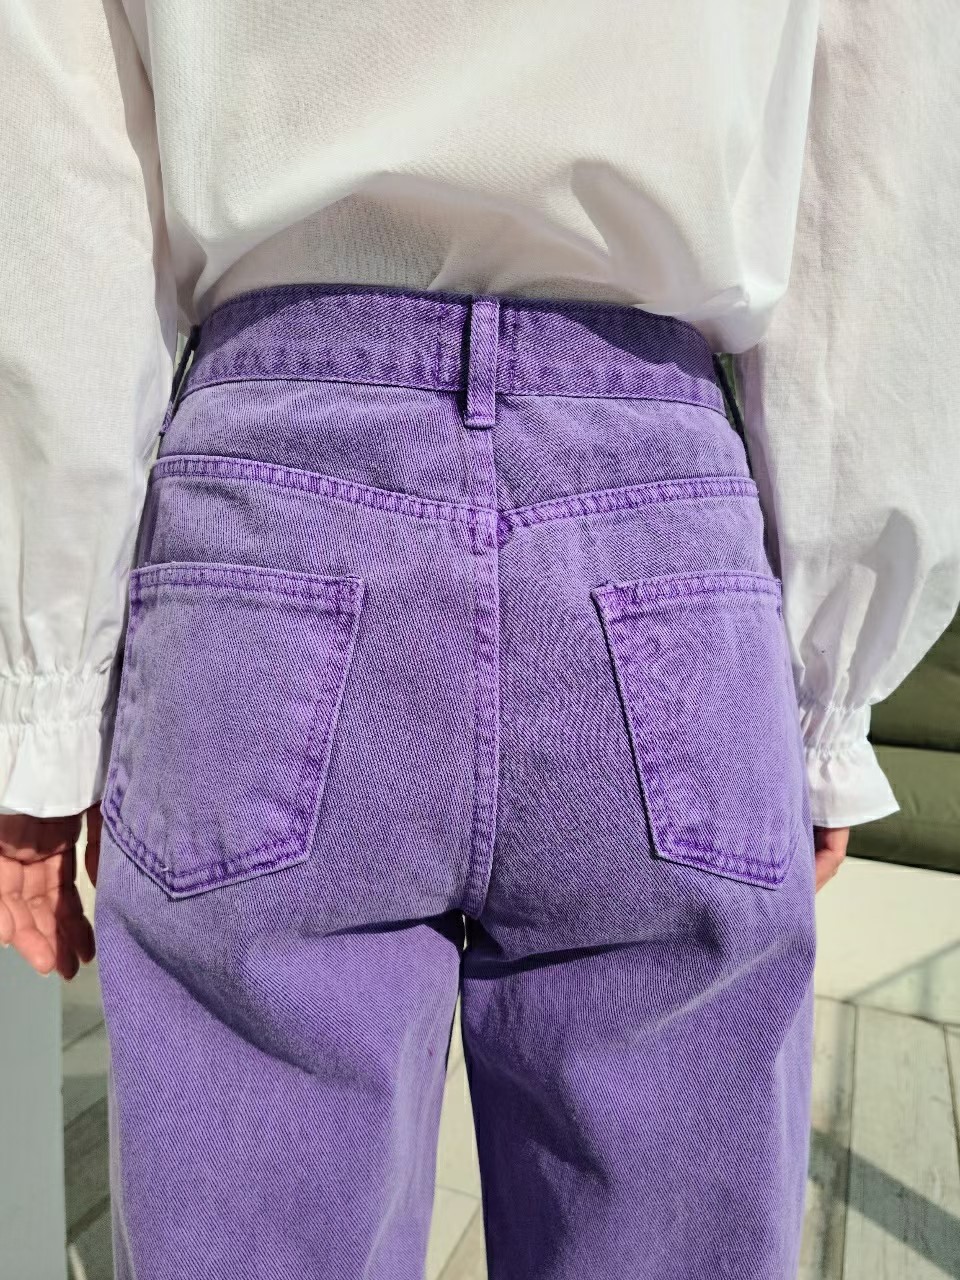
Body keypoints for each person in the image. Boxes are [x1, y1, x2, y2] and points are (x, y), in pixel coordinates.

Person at [1, 2, 957, 1278]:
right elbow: (877, 162)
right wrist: (834, 685)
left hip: (274, 519)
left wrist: (47, 692)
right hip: (653, 527)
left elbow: (59, 161)